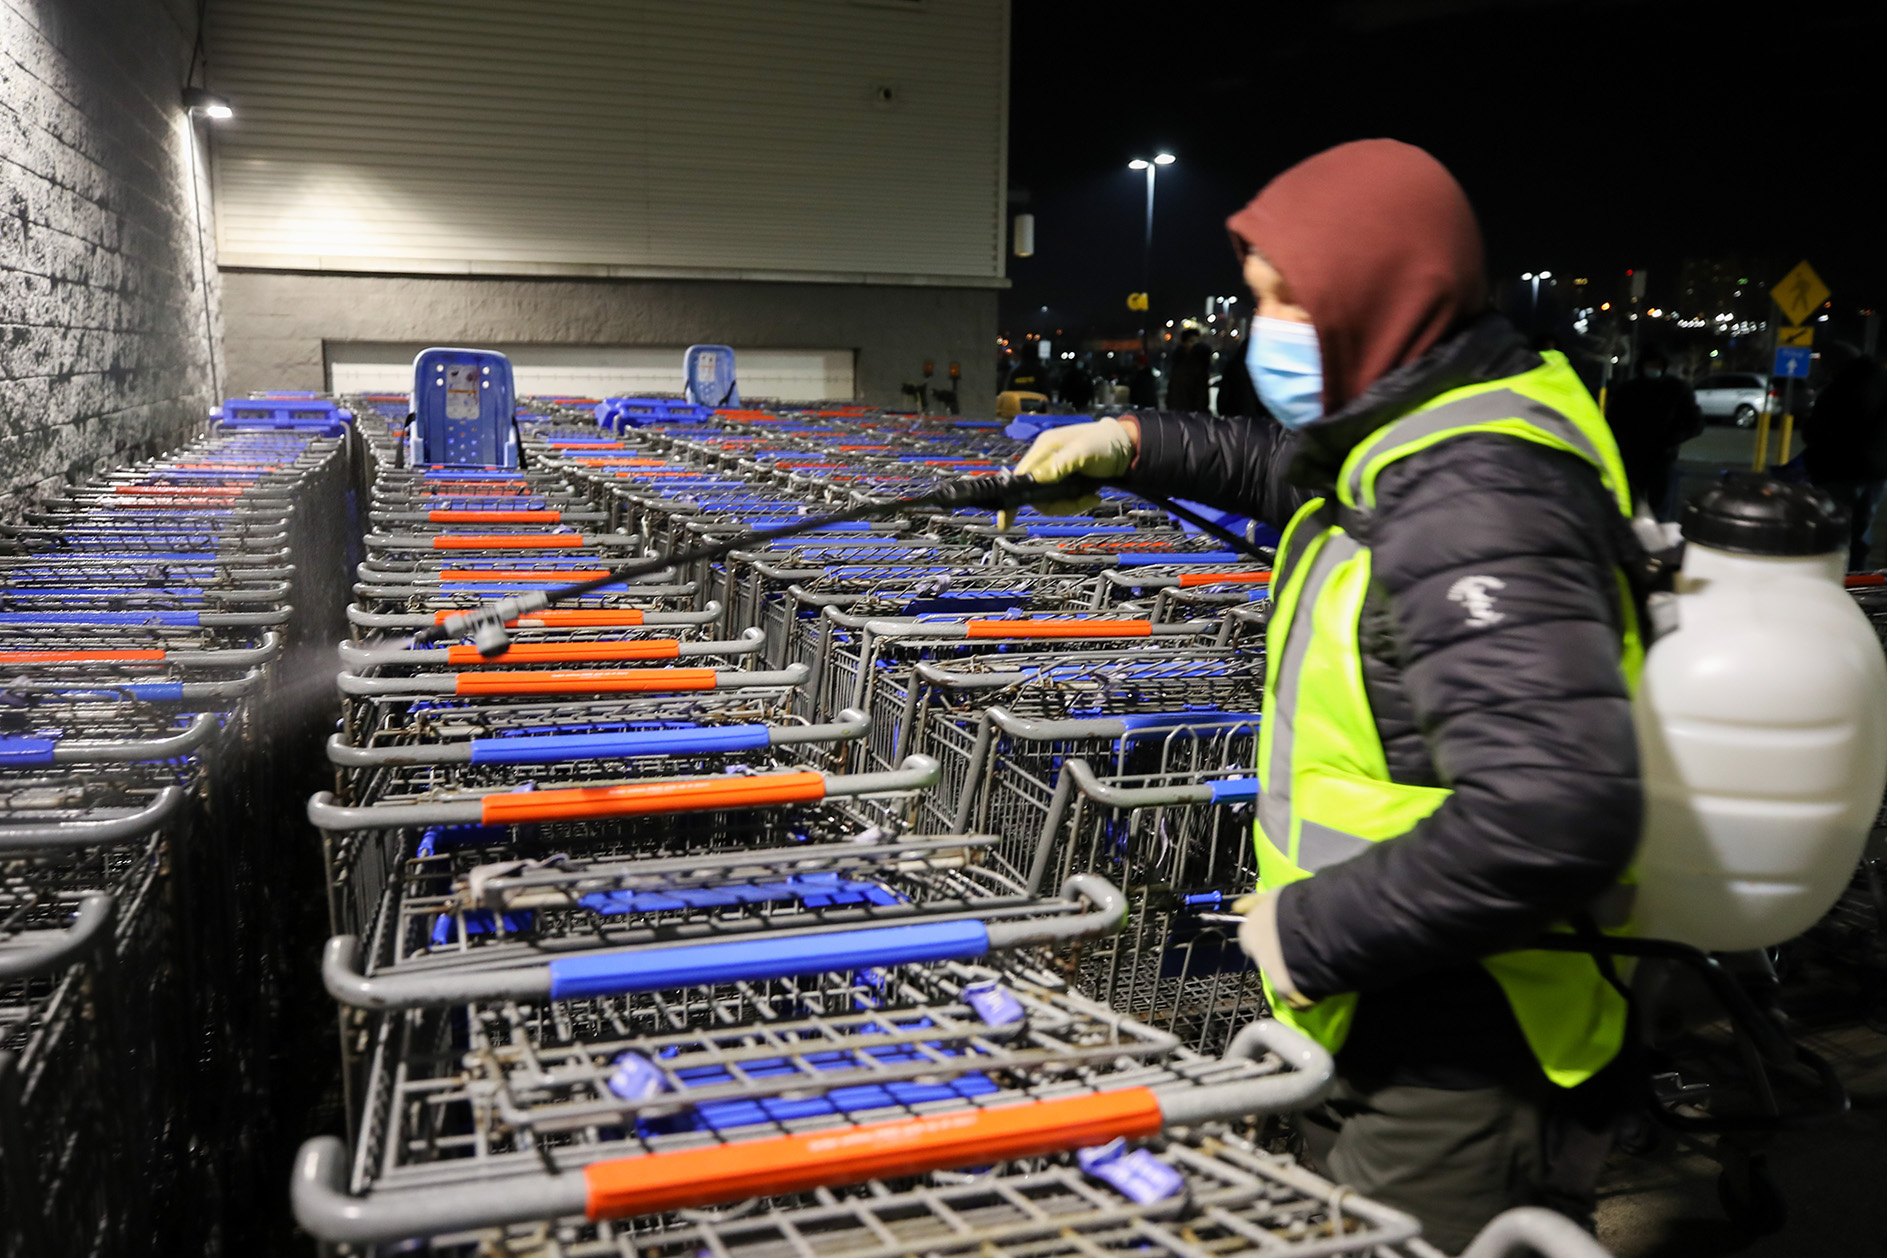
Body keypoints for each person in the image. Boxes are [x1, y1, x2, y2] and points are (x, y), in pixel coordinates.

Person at [1000, 140, 1641, 1252]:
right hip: (1389, 995)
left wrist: (1310, 927)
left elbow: (1557, 810)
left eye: (1282, 305)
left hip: (1470, 1034)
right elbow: (1280, 466)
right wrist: (1131, 439)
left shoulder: (1480, 495)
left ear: (1374, 298)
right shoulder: (1414, 434)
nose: (1265, 334)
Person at [1801, 343, 1887, 569]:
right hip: (1874, 469)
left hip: (1842, 468)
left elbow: (1828, 428)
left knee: (1837, 528)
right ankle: (1856, 573)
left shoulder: (1846, 387)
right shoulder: (1877, 381)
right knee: (1860, 527)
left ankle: (1841, 573)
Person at [1603, 350, 1703, 519]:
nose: (1653, 369)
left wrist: (1673, 439)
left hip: (1661, 458)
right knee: (1630, 505)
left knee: (1660, 507)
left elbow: (1695, 422)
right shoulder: (1628, 390)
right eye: (1650, 365)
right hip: (1632, 457)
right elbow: (1612, 421)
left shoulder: (1677, 389)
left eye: (1657, 365)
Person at [1216, 315, 1265, 419]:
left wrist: (1223, 412)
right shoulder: (1260, 371)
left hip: (1232, 416)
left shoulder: (1233, 367)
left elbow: (1224, 394)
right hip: (1254, 420)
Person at [1165, 324, 1214, 411]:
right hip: (1183, 412)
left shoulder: (1199, 364)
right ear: (1184, 343)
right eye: (1192, 341)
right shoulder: (1180, 364)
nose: (1195, 345)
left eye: (1196, 342)